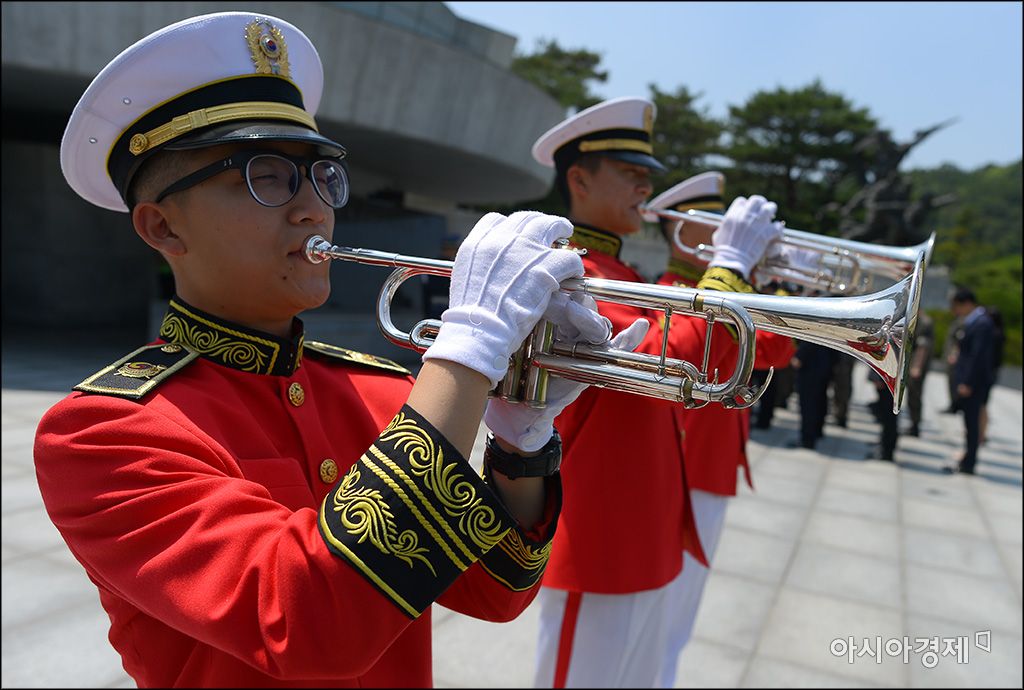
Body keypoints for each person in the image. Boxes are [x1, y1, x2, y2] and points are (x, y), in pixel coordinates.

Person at [32, 12, 639, 687]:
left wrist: (521, 440)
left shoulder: (381, 390)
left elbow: (498, 589)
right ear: (162, 227)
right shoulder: (101, 433)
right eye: (266, 176)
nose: (313, 208)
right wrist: (468, 349)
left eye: (322, 176)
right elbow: (309, 623)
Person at [528, 97, 784, 688]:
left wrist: (751, 277)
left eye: (646, 173)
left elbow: (739, 356)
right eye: (630, 172)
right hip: (603, 530)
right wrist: (729, 266)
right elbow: (677, 359)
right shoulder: (572, 273)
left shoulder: (623, 276)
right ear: (579, 180)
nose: (645, 186)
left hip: (643, 523)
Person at [645, 172, 795, 685]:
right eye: (712, 224)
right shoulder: (665, 294)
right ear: (681, 232)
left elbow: (776, 349)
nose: (725, 232)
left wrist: (775, 278)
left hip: (710, 467)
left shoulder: (729, 296)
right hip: (683, 466)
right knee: (661, 616)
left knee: (680, 616)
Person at [944, 288, 997, 475]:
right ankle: (967, 458)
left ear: (966, 304)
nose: (956, 311)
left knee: (972, 424)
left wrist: (967, 382)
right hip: (972, 381)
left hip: (974, 383)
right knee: (969, 423)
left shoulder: (982, 323)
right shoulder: (976, 320)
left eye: (957, 306)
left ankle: (969, 463)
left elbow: (977, 356)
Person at [905, 311, 935, 436]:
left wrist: (917, 366)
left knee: (914, 395)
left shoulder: (924, 322)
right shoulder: (915, 319)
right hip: (911, 363)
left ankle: (915, 425)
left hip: (917, 365)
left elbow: (923, 347)